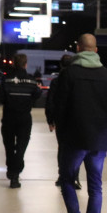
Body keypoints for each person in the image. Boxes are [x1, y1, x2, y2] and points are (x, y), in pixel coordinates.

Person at [50, 34, 107, 213]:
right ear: (96, 50)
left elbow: (60, 107)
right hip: (99, 141)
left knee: (66, 180)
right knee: (95, 187)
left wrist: (61, 136)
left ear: (78, 49)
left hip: (73, 139)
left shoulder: (68, 74)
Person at [0, 53, 42, 189]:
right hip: (24, 119)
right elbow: (37, 95)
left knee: (9, 146)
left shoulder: (6, 79)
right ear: (25, 64)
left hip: (9, 117)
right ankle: (16, 172)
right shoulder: (31, 80)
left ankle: (12, 170)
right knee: (21, 146)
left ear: (14, 63)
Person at [45, 52, 81, 190]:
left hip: (61, 120)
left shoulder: (56, 82)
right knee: (77, 149)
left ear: (60, 65)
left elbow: (50, 102)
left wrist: (50, 120)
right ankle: (75, 177)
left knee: (63, 148)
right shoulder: (77, 80)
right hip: (76, 119)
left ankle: (62, 176)